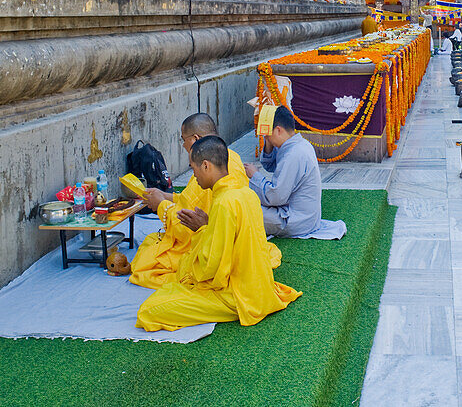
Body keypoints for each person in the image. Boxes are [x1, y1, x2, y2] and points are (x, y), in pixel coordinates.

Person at [136, 136, 301, 331]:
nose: (194, 176)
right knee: (172, 285)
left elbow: (211, 269)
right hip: (258, 286)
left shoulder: (224, 202)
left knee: (149, 310)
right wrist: (208, 226)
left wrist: (201, 231)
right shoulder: (245, 193)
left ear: (206, 166)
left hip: (237, 295)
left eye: (194, 169)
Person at [130, 113, 279, 289]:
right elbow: (192, 200)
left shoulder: (222, 198)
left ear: (195, 139)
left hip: (217, 258)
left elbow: (185, 227)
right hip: (236, 250)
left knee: (146, 260)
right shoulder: (232, 158)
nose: (183, 145)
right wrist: (164, 196)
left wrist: (161, 205)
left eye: (183, 139)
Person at [245, 105, 324, 237]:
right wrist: (268, 143)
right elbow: (271, 166)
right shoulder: (298, 144)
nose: (267, 139)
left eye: (267, 135)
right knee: (247, 201)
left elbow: (275, 198)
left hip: (297, 221)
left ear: (278, 130)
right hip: (304, 216)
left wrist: (255, 175)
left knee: (245, 208)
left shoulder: (294, 153)